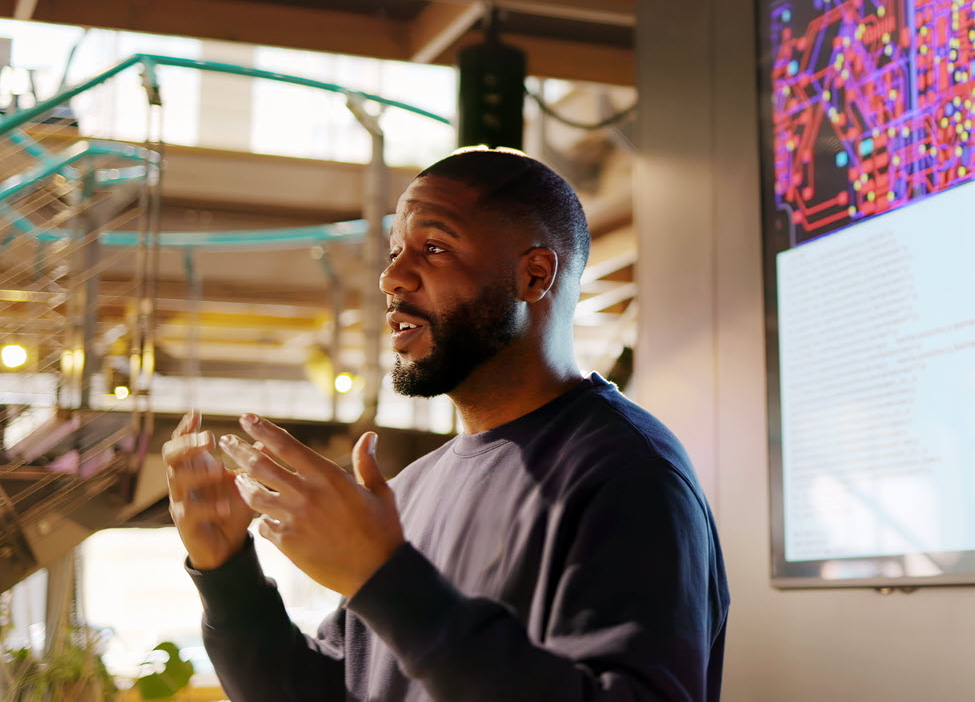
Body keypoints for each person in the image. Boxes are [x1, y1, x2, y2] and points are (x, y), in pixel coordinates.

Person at [162, 148, 729, 702]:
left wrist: (383, 579)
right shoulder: (408, 489)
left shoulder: (630, 474)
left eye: (433, 249)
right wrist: (228, 574)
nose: (391, 279)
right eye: (393, 253)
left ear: (534, 276)